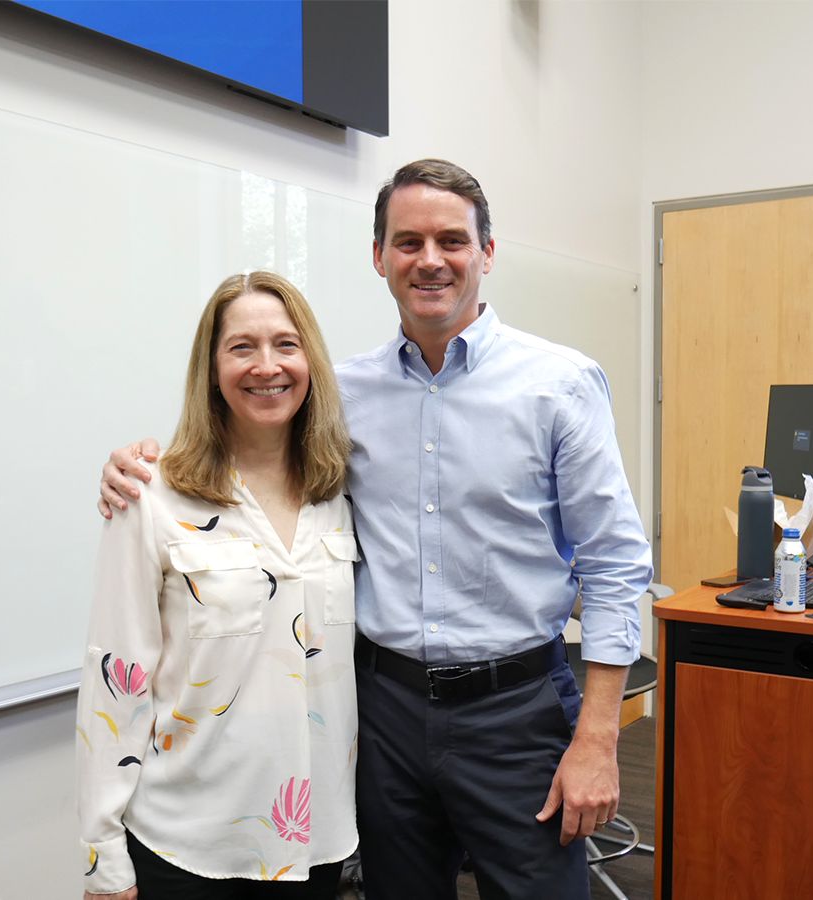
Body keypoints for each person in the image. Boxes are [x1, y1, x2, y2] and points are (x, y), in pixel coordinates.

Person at [98, 160, 653, 900]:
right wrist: (141, 462)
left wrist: (598, 739)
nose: (430, 260)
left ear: (487, 253)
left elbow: (615, 565)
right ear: (379, 256)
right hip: (383, 715)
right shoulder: (340, 396)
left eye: (452, 240)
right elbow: (244, 449)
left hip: (516, 711)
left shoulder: (559, 384)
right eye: (408, 240)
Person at [78, 271, 359, 900]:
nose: (267, 366)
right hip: (190, 846)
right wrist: (103, 853)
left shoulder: (340, 491)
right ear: (210, 368)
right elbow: (114, 677)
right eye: (241, 347)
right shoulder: (148, 495)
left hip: (317, 840)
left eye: (286, 345)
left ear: (310, 360)